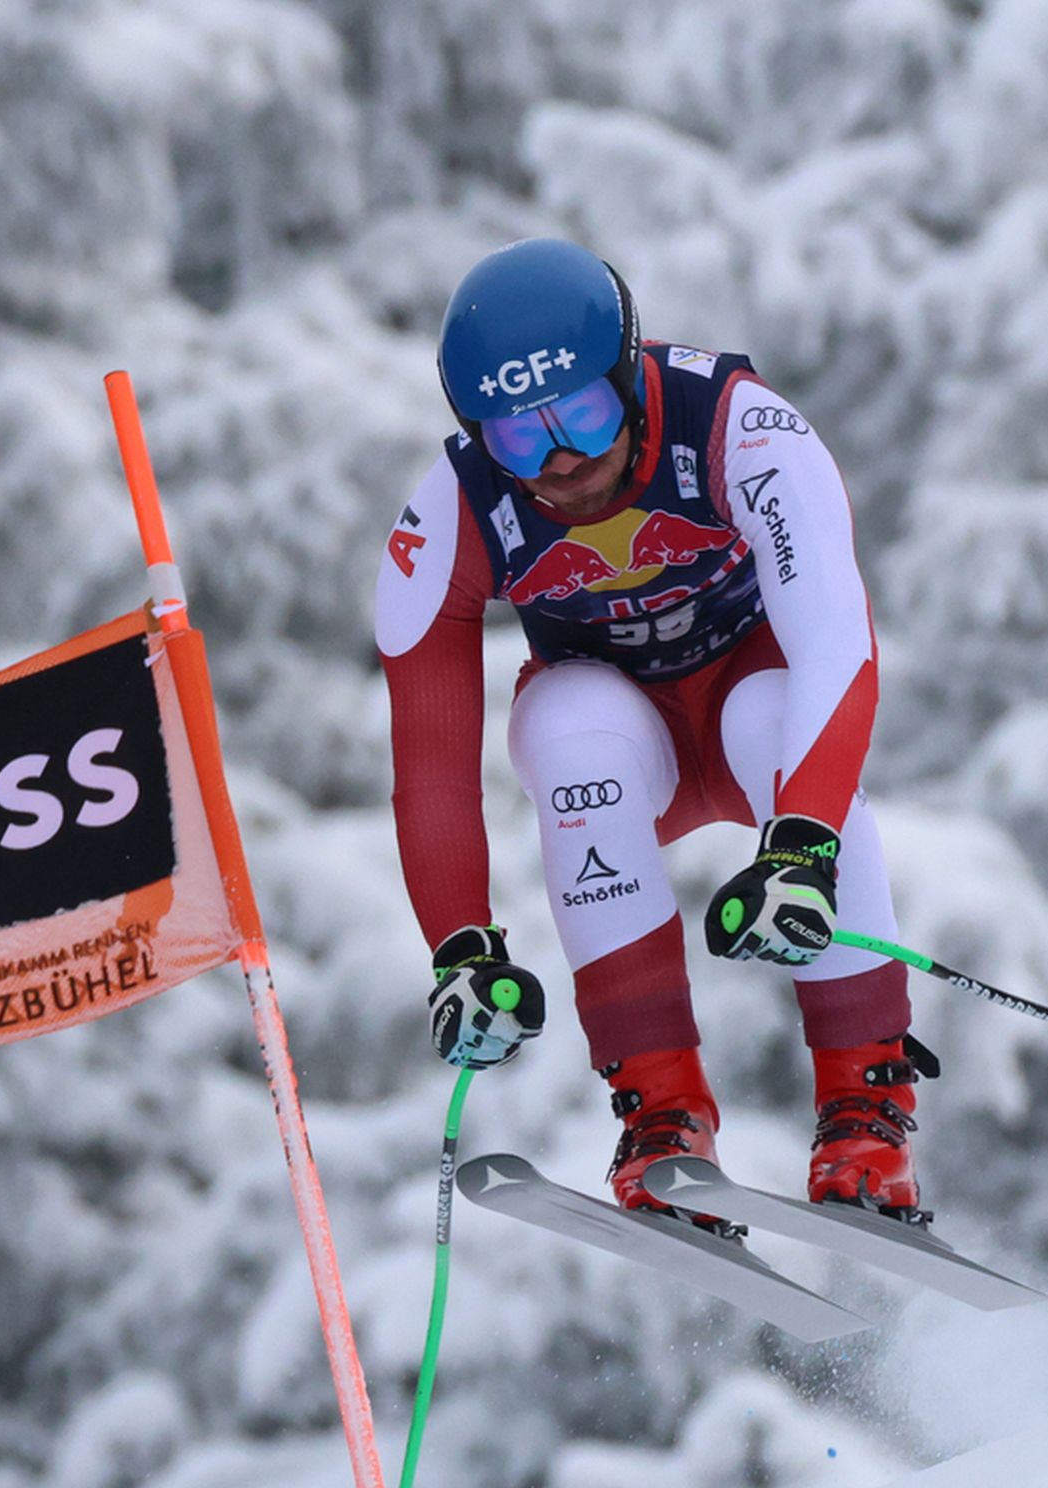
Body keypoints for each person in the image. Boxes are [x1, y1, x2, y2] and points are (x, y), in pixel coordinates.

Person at [376, 237, 939, 1224]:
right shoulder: (454, 511)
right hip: (630, 748)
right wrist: (462, 949)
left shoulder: (737, 428)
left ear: (631, 376)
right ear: (476, 433)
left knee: (773, 715)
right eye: (519, 438)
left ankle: (866, 1106)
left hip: (752, 707)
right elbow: (429, 766)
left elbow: (837, 646)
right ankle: (662, 1115)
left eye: (585, 414)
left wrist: (803, 840)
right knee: (568, 722)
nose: (564, 459)